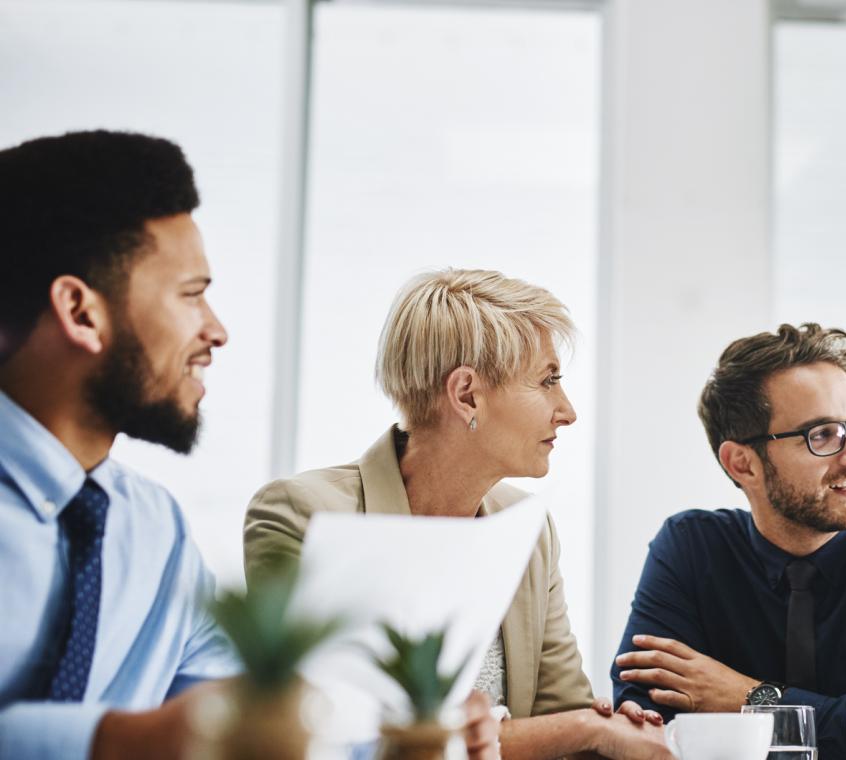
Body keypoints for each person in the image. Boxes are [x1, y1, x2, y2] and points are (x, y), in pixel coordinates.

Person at [243, 269, 672, 760]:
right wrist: (586, 729)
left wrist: (601, 730)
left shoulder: (528, 529)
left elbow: (567, 717)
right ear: (466, 394)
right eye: (547, 380)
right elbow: (320, 731)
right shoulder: (303, 514)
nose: (567, 410)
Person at [611, 323, 846, 760]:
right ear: (743, 464)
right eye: (821, 434)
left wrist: (752, 698)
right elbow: (646, 722)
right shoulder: (690, 548)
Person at [0, 130, 237, 759]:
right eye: (191, 293)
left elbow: (238, 717)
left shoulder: (155, 529)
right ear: (81, 312)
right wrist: (115, 742)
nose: (217, 330)